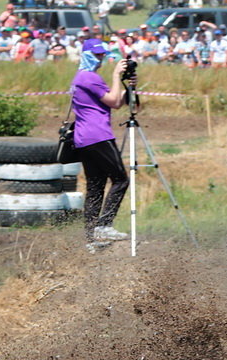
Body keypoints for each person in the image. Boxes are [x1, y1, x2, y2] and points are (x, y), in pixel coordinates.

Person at [70, 38, 129, 247]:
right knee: (121, 179)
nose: (101, 58)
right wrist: (115, 75)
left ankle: (90, 236)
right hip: (98, 136)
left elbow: (115, 102)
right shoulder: (88, 77)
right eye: (97, 54)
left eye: (102, 54)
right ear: (86, 55)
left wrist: (128, 87)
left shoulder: (83, 77)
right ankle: (104, 225)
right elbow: (114, 101)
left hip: (85, 138)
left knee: (96, 186)